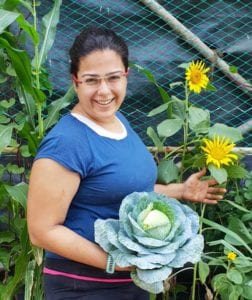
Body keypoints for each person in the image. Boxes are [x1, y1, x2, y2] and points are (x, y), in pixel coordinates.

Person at [27, 27, 226, 300]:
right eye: (91, 80)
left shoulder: (119, 122)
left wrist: (181, 191)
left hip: (128, 283)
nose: (104, 91)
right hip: (84, 286)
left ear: (126, 75)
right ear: (75, 82)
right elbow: (42, 231)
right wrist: (112, 262)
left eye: (113, 78)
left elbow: (125, 192)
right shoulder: (67, 142)